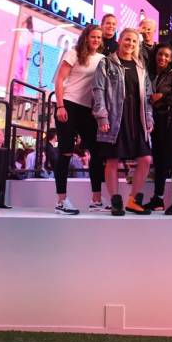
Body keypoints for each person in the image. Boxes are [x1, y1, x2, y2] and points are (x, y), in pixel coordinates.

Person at [93, 28, 154, 215]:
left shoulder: (141, 66)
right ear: (120, 40)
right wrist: (102, 115)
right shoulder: (106, 63)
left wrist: (149, 117)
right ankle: (115, 201)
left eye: (134, 42)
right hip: (115, 118)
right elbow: (98, 90)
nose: (130, 44)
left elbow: (148, 95)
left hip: (137, 119)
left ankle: (132, 200)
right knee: (112, 160)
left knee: (146, 158)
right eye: (128, 40)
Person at [53, 24, 105, 215]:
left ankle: (96, 200)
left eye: (99, 38)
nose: (96, 40)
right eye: (93, 37)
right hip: (68, 104)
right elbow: (59, 80)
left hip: (87, 110)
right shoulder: (74, 54)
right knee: (66, 152)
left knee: (96, 153)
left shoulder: (102, 59)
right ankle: (61, 201)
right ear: (86, 37)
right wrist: (60, 106)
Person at [145, 44, 172, 215]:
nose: (162, 58)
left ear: (171, 58)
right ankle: (158, 199)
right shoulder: (150, 74)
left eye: (166, 55)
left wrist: (162, 96)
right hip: (155, 122)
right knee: (159, 162)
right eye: (160, 54)